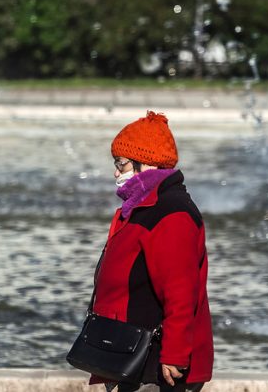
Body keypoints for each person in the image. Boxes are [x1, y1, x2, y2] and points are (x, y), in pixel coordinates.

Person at [89, 111, 213, 392]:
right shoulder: (143, 207)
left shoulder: (171, 214)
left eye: (121, 164)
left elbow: (181, 292)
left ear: (145, 164)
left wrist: (175, 354)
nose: (115, 172)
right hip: (133, 353)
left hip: (158, 364)